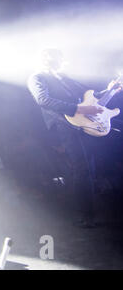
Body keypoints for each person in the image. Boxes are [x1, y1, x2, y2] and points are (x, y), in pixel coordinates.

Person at [27, 49, 120, 228]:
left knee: (90, 168)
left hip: (83, 124)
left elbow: (89, 99)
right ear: (47, 59)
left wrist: (110, 90)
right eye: (58, 57)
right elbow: (43, 100)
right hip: (64, 125)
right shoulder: (37, 77)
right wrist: (80, 110)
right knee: (82, 169)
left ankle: (94, 210)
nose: (62, 60)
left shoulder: (64, 78)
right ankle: (85, 216)